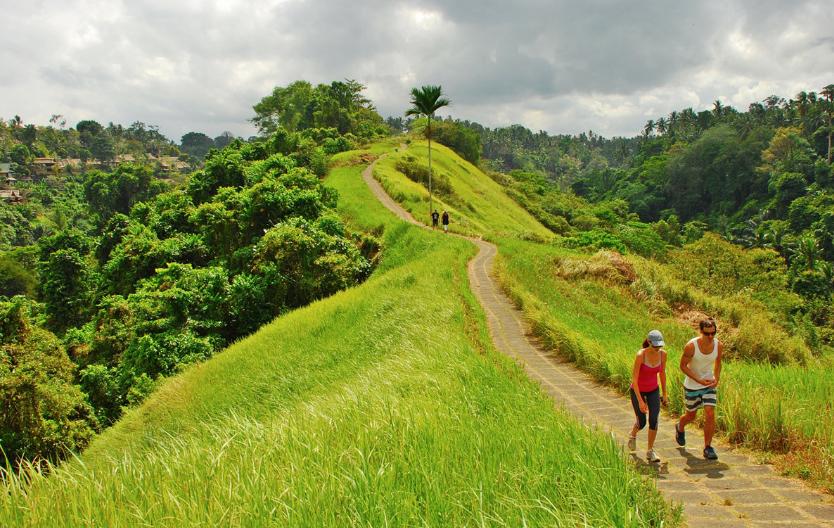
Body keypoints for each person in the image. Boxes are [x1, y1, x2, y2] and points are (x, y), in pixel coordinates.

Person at [674, 318, 723, 460]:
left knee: (710, 412)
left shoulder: (718, 345)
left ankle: (708, 447)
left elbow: (718, 363)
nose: (710, 337)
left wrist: (716, 379)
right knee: (691, 416)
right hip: (692, 385)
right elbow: (683, 366)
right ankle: (680, 426)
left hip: (709, 384)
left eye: (713, 333)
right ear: (700, 331)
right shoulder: (691, 346)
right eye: (707, 334)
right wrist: (698, 380)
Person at [627, 329, 668, 463]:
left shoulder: (663, 355)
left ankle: (650, 451)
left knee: (654, 419)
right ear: (649, 342)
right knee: (642, 422)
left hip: (653, 390)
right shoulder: (641, 355)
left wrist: (665, 394)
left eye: (659, 345)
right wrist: (640, 401)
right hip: (638, 390)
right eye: (655, 345)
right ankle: (633, 435)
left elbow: (662, 374)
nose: (657, 348)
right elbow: (634, 379)